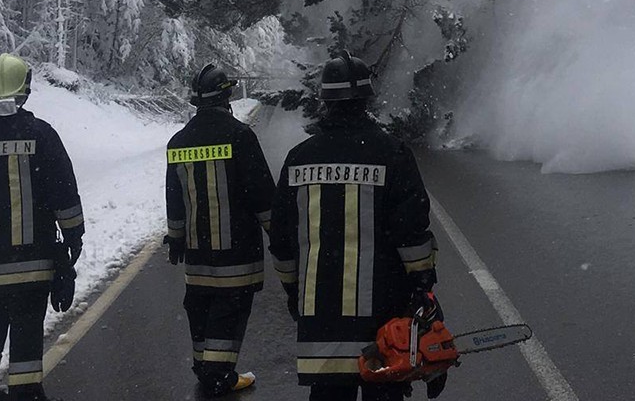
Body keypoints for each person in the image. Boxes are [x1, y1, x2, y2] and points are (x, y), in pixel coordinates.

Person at [270, 53, 443, 401]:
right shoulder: (392, 153)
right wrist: (422, 284)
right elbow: (411, 233)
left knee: (329, 393)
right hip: (383, 314)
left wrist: (293, 291)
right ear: (367, 98)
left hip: (320, 316)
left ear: (325, 100)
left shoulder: (299, 159)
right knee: (384, 391)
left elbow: (282, 240)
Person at [0, 54, 84, 401]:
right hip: (31, 265)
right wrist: (73, 236)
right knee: (26, 330)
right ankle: (26, 392)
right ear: (24, 90)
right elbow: (64, 193)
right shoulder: (41, 135)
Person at [164, 64, 278, 397]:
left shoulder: (178, 142)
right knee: (229, 313)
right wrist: (280, 239)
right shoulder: (240, 136)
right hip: (237, 256)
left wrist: (176, 239)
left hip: (197, 258)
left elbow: (175, 200)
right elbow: (262, 197)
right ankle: (219, 375)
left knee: (200, 309)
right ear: (226, 96)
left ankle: (205, 367)